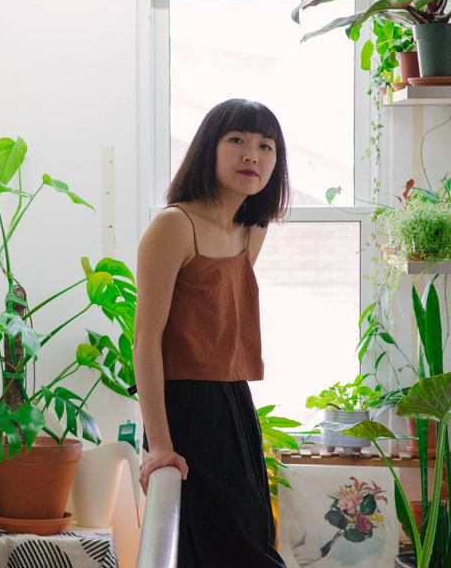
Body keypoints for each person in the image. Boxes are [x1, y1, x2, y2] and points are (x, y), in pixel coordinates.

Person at [135, 98, 291, 567]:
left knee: (252, 539)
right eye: (237, 140)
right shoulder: (174, 225)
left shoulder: (252, 229)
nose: (252, 155)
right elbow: (146, 342)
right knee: (217, 549)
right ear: (209, 147)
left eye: (265, 146)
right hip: (183, 407)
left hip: (235, 403)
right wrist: (160, 445)